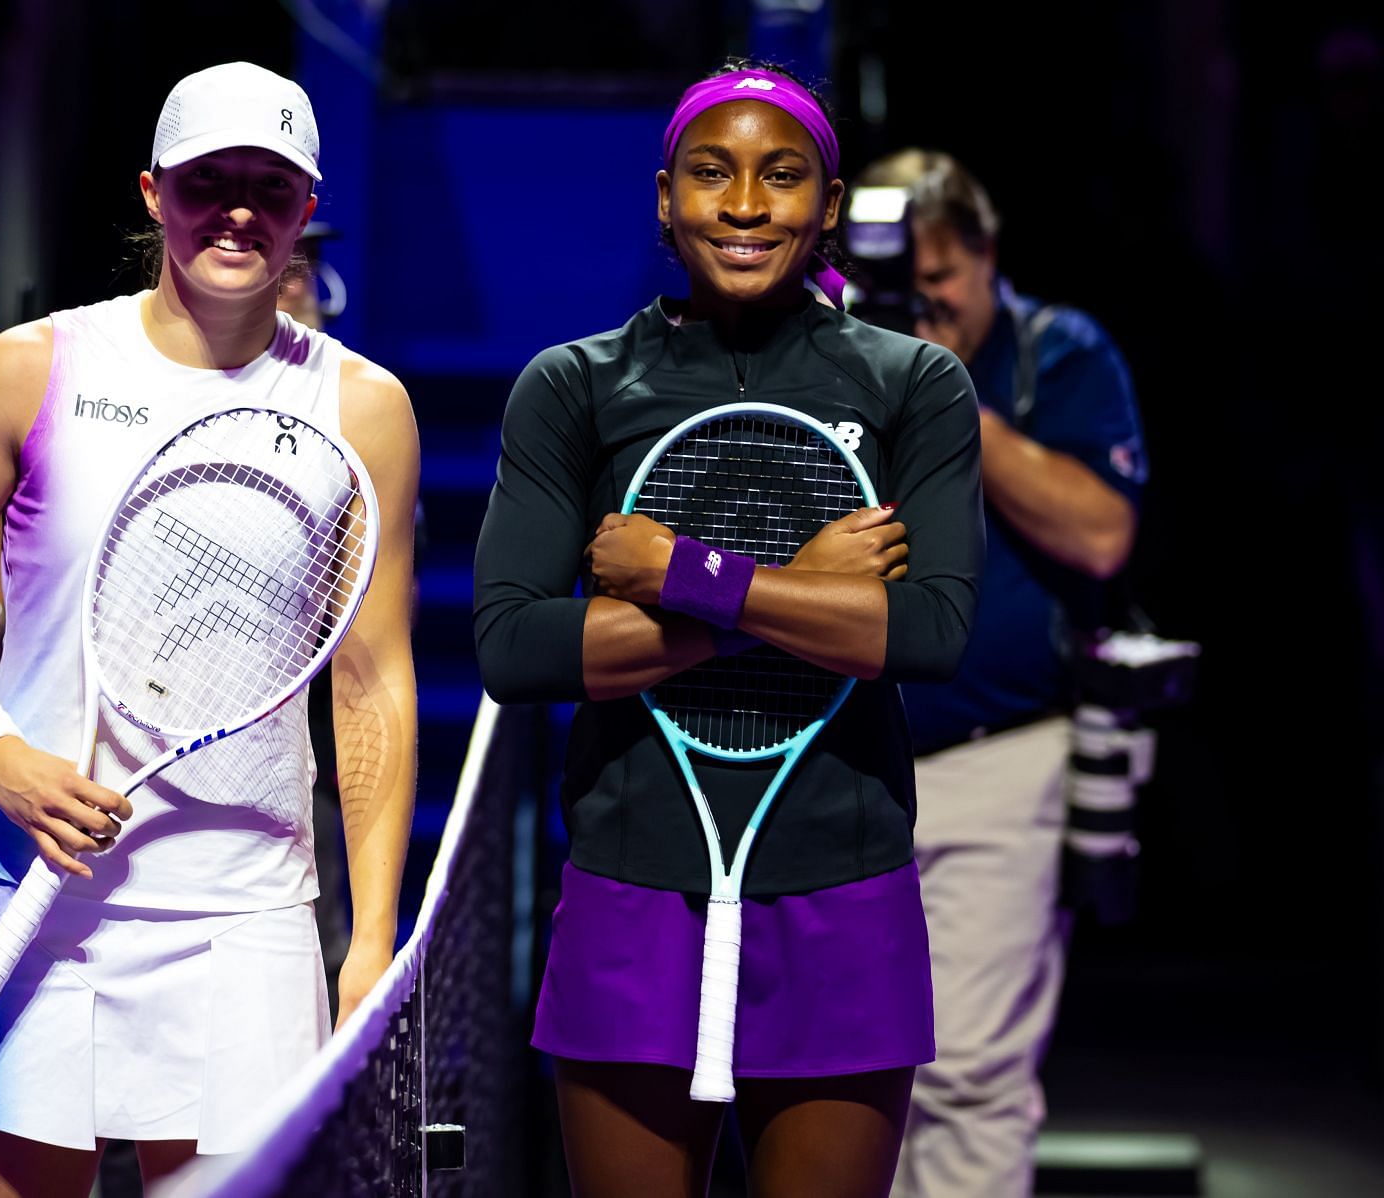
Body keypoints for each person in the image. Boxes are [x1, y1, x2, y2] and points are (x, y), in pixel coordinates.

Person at [0, 62, 419, 1196]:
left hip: (247, 920)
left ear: (305, 207)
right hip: (25, 894)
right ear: (151, 191)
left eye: (270, 186)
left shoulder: (364, 405)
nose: (237, 209)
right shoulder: (30, 368)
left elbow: (370, 682)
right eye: (208, 179)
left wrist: (371, 938)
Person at [473, 60, 983, 1198]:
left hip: (842, 888)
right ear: (665, 198)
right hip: (631, 880)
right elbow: (517, 648)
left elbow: (929, 630)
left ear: (830, 205)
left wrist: (679, 573)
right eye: (712, 175)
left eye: (781, 176)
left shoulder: (917, 387)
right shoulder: (573, 388)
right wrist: (802, 594)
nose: (746, 205)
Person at [851, 151, 1146, 1198]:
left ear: (985, 257)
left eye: (939, 282)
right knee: (840, 1071)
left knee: (968, 1073)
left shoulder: (1054, 354)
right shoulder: (834, 354)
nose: (920, 305)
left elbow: (1104, 535)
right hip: (839, 762)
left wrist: (949, 400)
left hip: (1000, 759)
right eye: (898, 287)